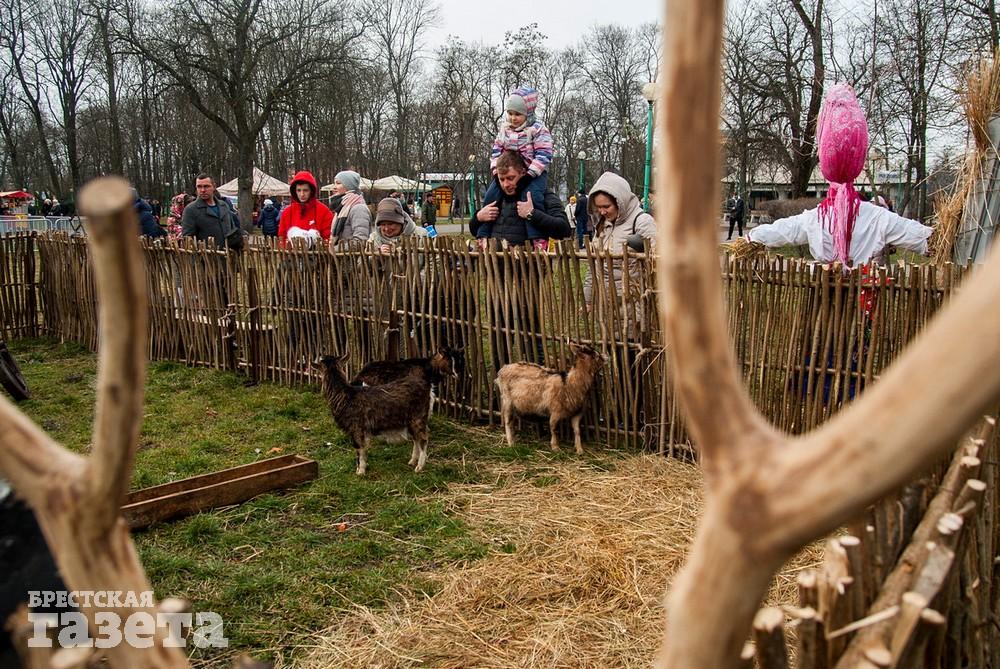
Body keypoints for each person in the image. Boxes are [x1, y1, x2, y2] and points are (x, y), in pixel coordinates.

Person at [746, 84, 931, 268]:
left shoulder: (816, 218)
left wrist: (751, 239)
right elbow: (918, 236)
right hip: (863, 285)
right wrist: (936, 238)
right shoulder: (877, 217)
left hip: (824, 286)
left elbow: (784, 230)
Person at [478, 87, 555, 250]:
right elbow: (496, 151)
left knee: (532, 197)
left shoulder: (537, 130)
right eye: (510, 113)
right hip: (509, 169)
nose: (513, 118)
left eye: (518, 114)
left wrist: (530, 174)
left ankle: (538, 238)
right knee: (490, 195)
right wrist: (496, 172)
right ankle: (482, 234)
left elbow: (544, 154)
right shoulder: (505, 129)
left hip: (534, 172)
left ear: (528, 113)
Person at [181, 174, 244, 250]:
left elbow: (232, 228)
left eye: (206, 186)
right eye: (199, 187)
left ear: (214, 187)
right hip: (207, 255)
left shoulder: (224, 206)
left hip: (228, 254)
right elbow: (188, 239)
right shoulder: (191, 210)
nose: (202, 190)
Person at [277, 172, 331, 246]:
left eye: (305, 190)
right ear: (294, 191)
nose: (302, 194)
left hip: (317, 252)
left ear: (311, 191)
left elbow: (328, 237)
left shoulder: (324, 211)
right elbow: (282, 237)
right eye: (299, 190)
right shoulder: (287, 212)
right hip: (291, 252)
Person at [327, 170, 370, 244]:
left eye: (338, 183)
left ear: (349, 186)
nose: (334, 187)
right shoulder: (342, 206)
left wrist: (336, 248)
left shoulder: (358, 208)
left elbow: (361, 241)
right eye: (334, 183)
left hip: (350, 252)